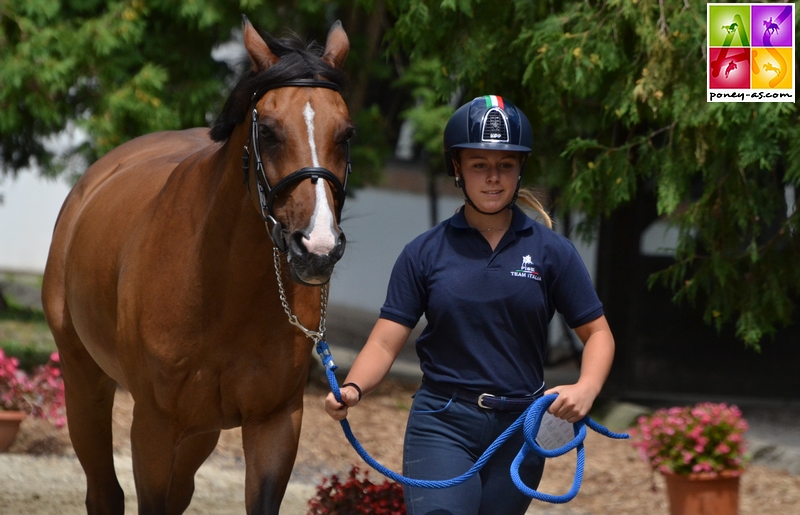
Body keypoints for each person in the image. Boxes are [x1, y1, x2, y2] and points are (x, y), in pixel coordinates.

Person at [325, 95, 615, 515]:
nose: (493, 178)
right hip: (442, 423)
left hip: (521, 427)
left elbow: (599, 334)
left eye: (506, 165)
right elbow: (386, 343)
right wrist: (353, 388)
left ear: (520, 170)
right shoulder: (423, 253)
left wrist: (587, 388)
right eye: (480, 164)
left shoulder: (553, 252)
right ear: (457, 168)